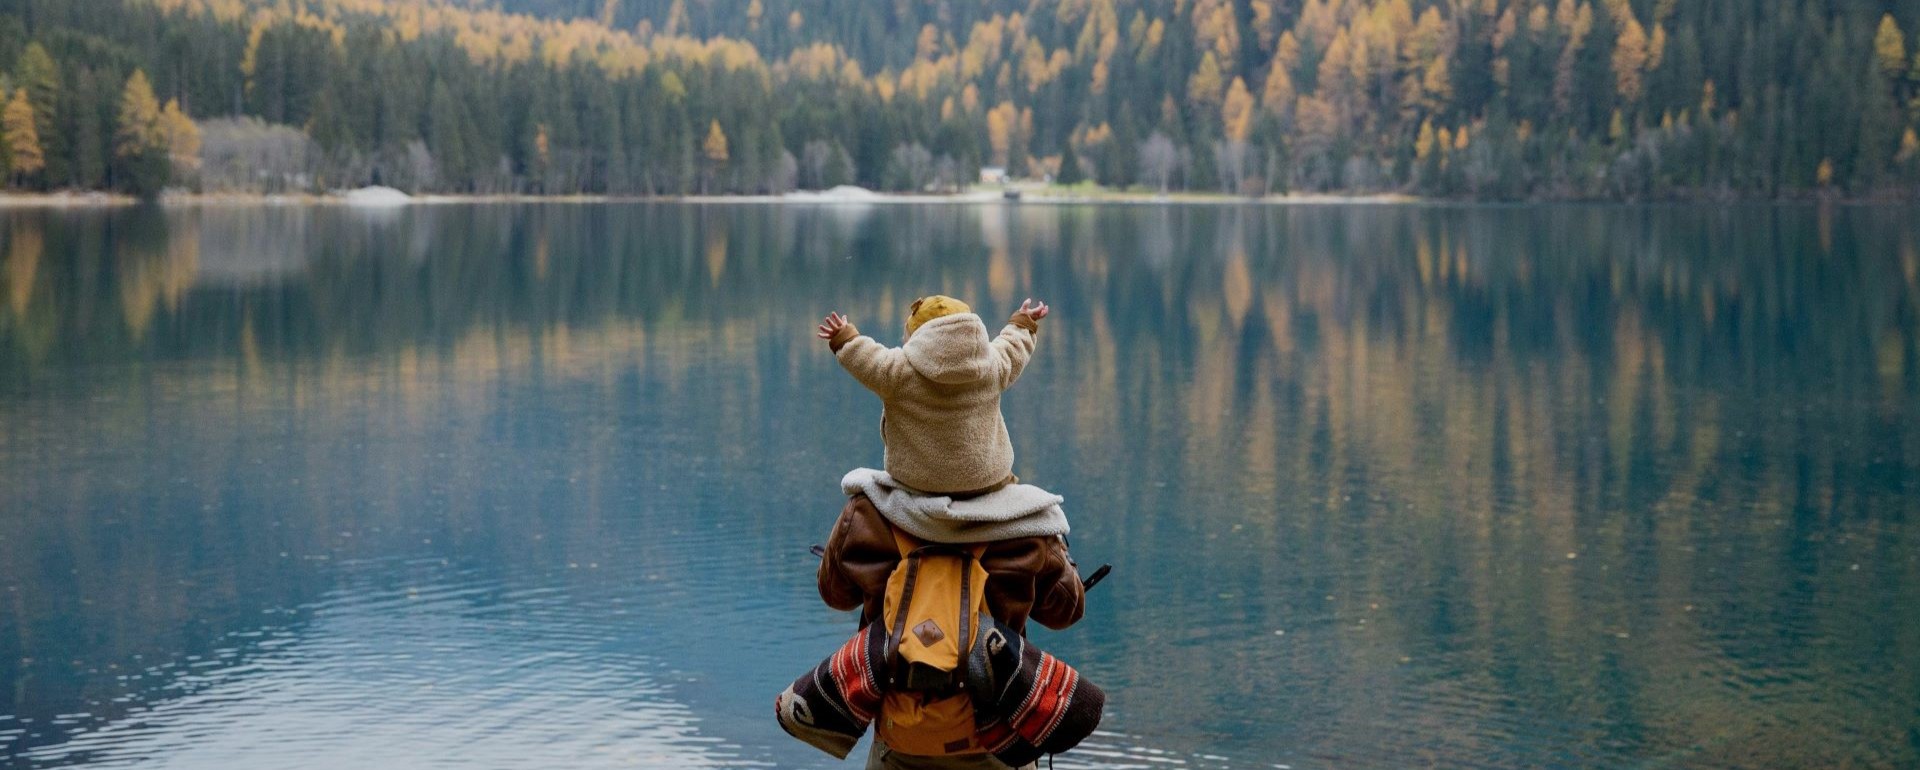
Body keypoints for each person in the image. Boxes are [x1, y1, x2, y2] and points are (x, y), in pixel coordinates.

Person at [815, 295, 1048, 497]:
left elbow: (865, 357)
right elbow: (1013, 346)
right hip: (987, 480)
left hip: (917, 484)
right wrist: (1023, 321)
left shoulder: (897, 371)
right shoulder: (992, 365)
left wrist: (843, 336)